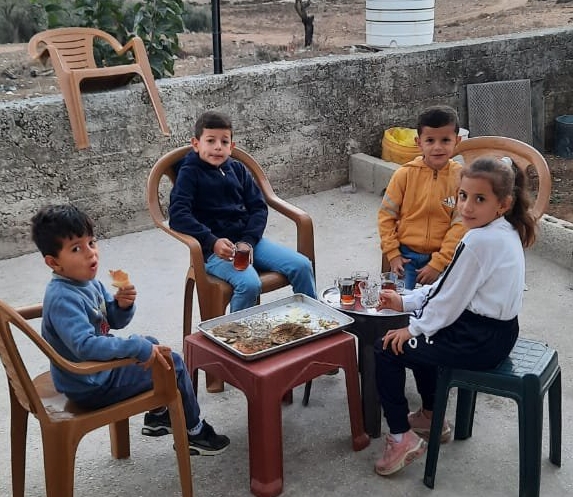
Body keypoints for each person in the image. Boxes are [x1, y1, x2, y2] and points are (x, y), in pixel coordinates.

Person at [373, 156, 537, 476]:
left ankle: (400, 437)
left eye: (479, 199)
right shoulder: (506, 229)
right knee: (421, 335)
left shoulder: (479, 240)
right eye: (463, 196)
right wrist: (405, 303)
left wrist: (413, 325)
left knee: (387, 347)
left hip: (477, 339)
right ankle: (432, 416)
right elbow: (449, 289)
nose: (467, 207)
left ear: (502, 204)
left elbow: (448, 300)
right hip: (499, 332)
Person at [30, 204, 230, 456]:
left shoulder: (87, 283)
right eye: (76, 248)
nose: (90, 253)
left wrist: (122, 305)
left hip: (96, 373)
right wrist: (135, 346)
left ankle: (158, 417)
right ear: (53, 262)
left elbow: (112, 320)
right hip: (89, 383)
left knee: (152, 344)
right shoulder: (63, 298)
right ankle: (194, 431)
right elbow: (85, 346)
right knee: (173, 364)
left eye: (91, 242)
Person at [168, 110, 317, 312]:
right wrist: (212, 242)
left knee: (302, 266)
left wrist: (248, 240)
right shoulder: (189, 173)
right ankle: (236, 338)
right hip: (214, 253)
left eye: (224, 142)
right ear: (196, 144)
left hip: (249, 243)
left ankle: (312, 322)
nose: (217, 147)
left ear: (232, 146)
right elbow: (178, 215)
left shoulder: (237, 169)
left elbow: (258, 207)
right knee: (249, 284)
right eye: (210, 141)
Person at [378, 105, 467, 290]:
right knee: (398, 305)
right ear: (419, 143)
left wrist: (438, 263)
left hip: (444, 259)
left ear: (457, 141)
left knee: (441, 307)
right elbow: (386, 216)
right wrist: (392, 254)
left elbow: (461, 224)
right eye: (430, 140)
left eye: (445, 140)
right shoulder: (404, 174)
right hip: (405, 256)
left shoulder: (462, 178)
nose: (437, 147)